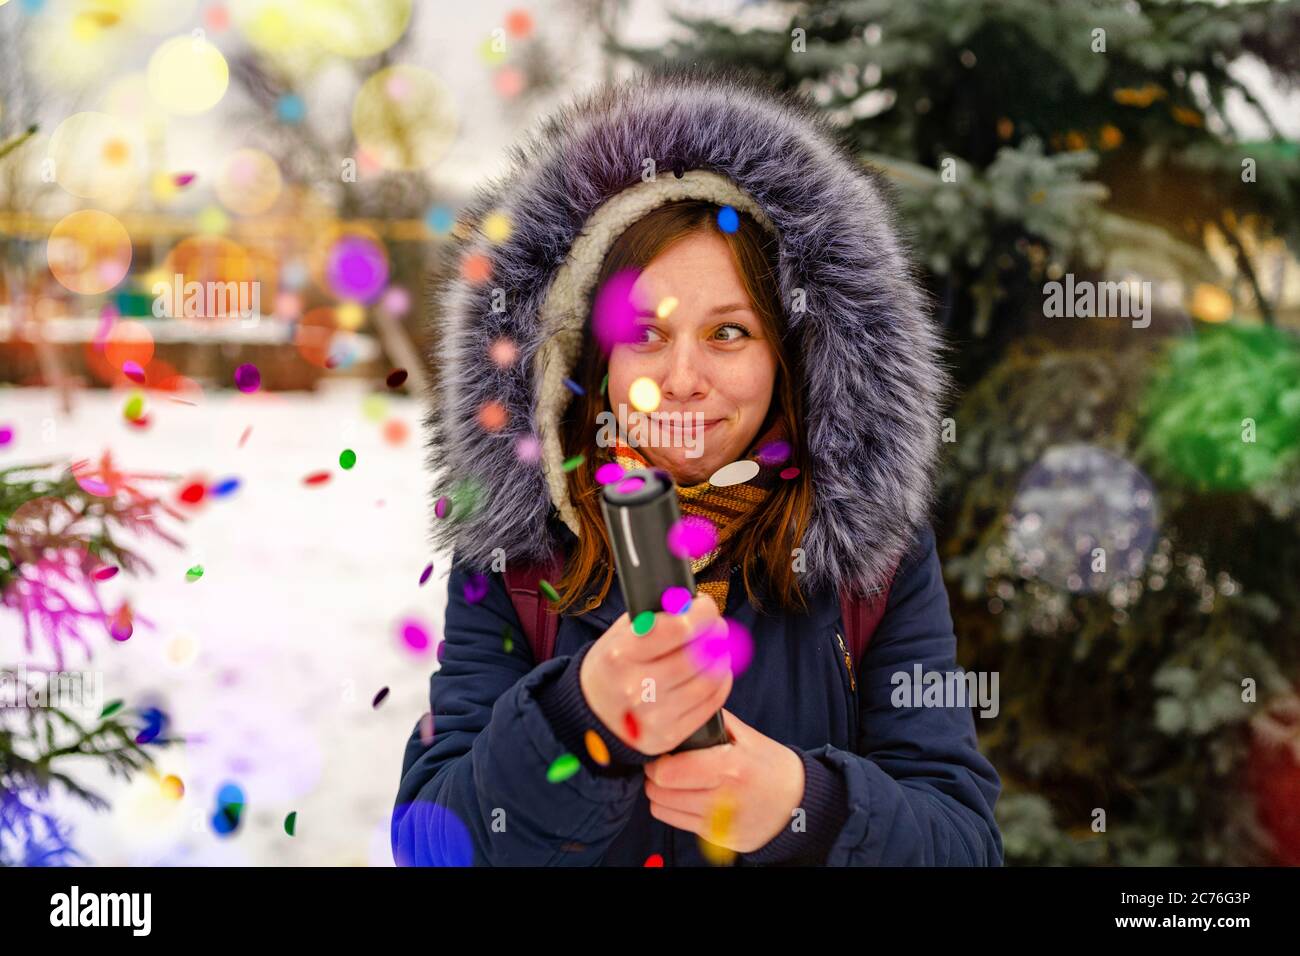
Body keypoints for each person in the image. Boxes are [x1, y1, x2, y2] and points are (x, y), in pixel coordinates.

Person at [392, 66, 1003, 867]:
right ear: (590, 359)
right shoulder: (515, 560)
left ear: (788, 358)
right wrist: (578, 721)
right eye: (646, 334)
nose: (681, 378)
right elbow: (434, 843)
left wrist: (806, 809)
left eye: (727, 334)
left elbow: (963, 843)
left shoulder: (874, 558)